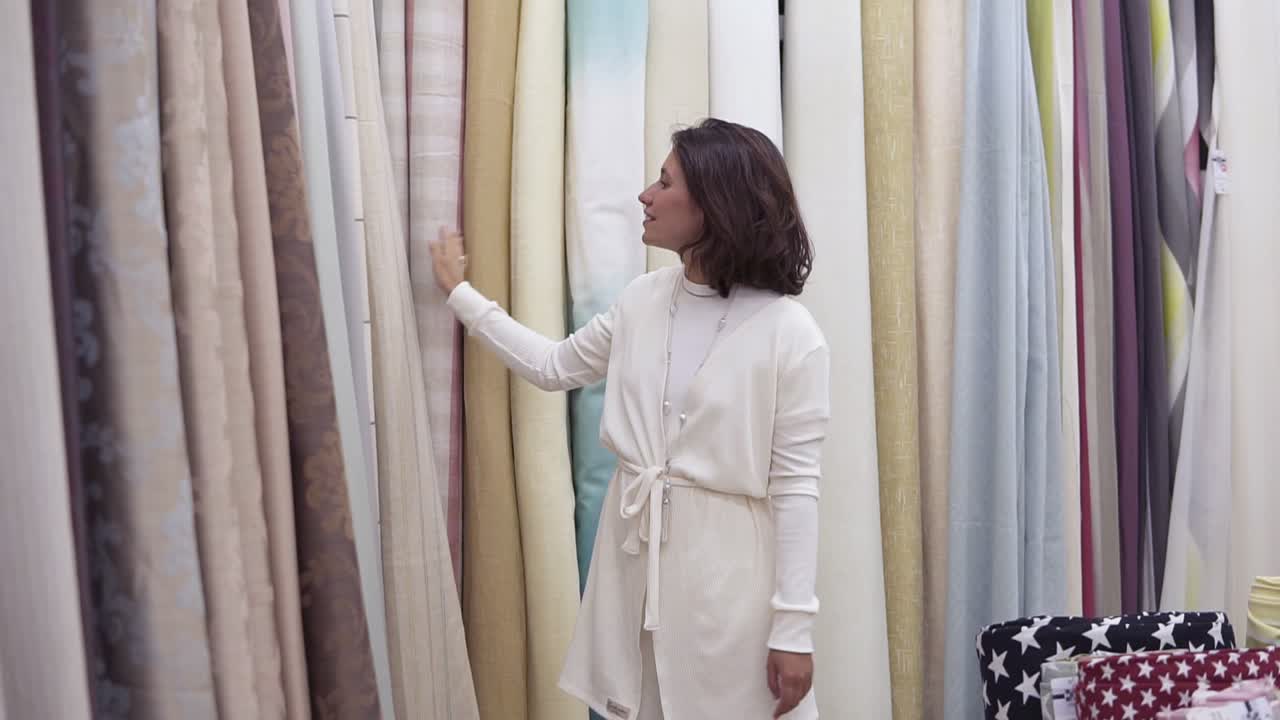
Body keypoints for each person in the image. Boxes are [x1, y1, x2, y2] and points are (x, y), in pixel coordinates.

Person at [430, 118, 828, 720]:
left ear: (713, 204)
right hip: (634, 569)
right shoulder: (643, 299)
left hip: (728, 586)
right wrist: (462, 296)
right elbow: (552, 365)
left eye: (664, 182)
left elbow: (797, 486)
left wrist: (793, 629)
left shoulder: (791, 335)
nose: (645, 195)